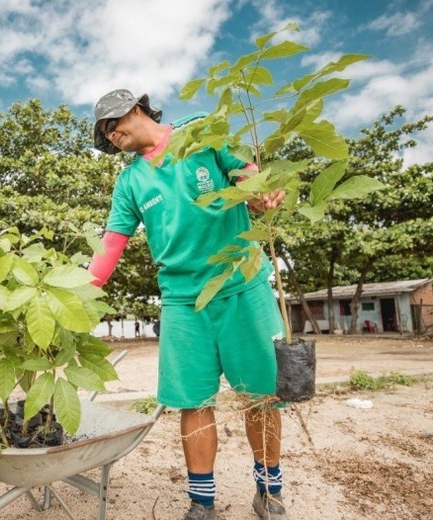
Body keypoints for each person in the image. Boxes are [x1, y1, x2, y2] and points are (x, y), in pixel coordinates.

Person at [88, 89, 288, 520]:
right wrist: (76, 293)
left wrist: (260, 193)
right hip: (182, 302)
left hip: (242, 287)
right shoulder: (130, 182)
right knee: (193, 402)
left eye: (111, 126)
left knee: (262, 398)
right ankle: (202, 502)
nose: (111, 138)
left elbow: (246, 174)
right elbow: (110, 246)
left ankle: (269, 493)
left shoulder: (201, 134)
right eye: (105, 136)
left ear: (134, 109)